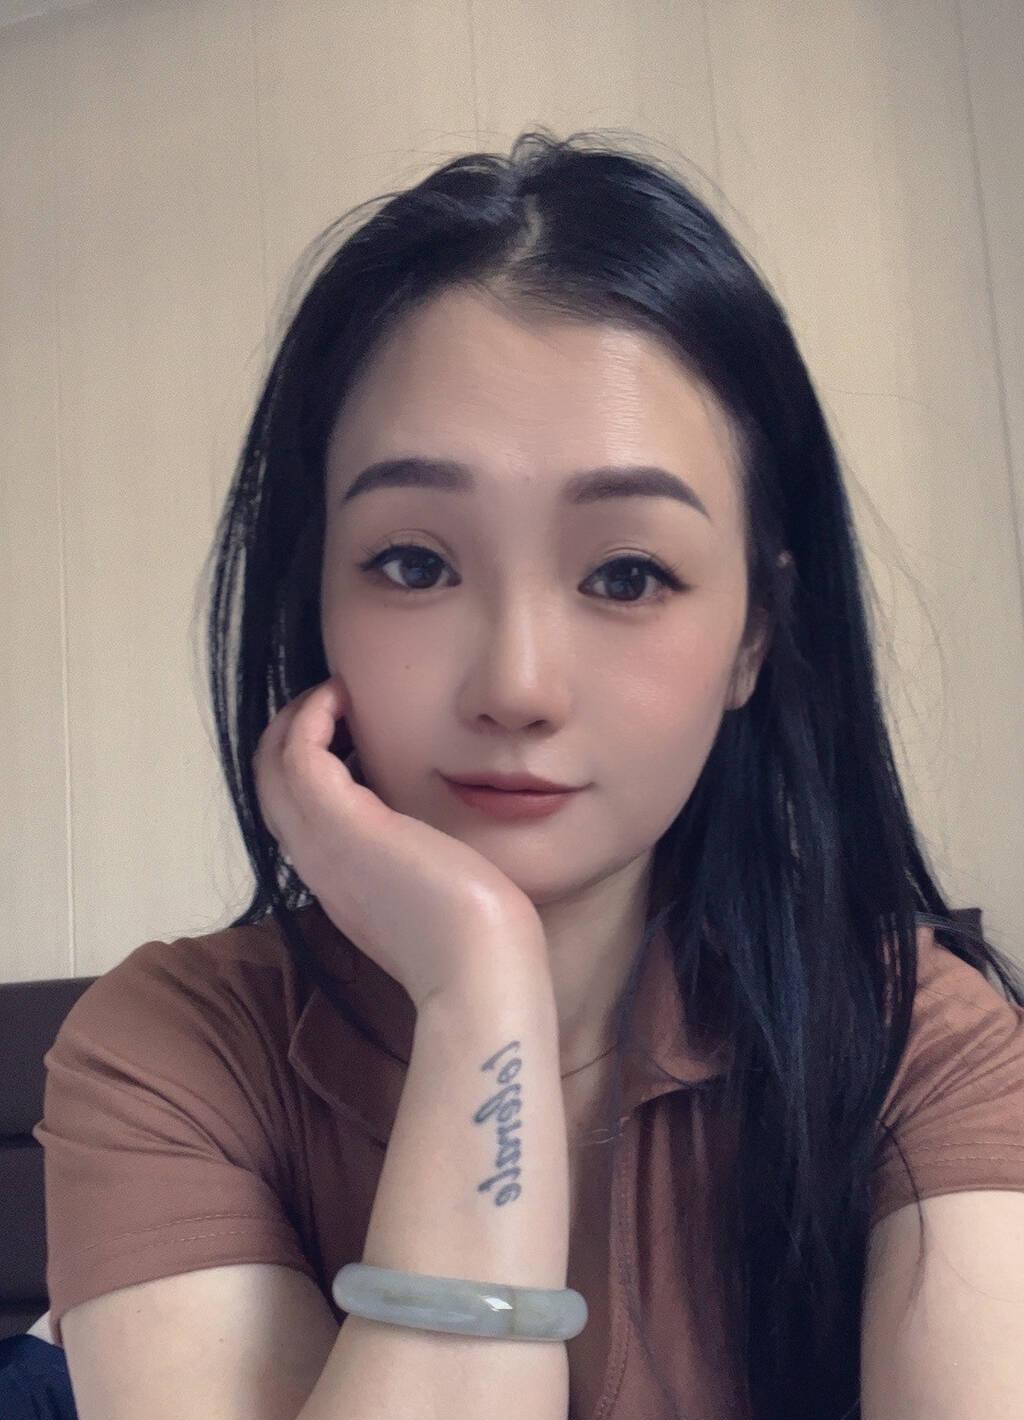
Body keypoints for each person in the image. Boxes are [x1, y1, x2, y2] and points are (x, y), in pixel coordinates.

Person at [13, 128, 1023, 1420]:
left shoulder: (916, 1043)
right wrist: (481, 989)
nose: (518, 685)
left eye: (627, 574)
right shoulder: (172, 1053)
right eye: (415, 563)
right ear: (315, 598)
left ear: (753, 638)